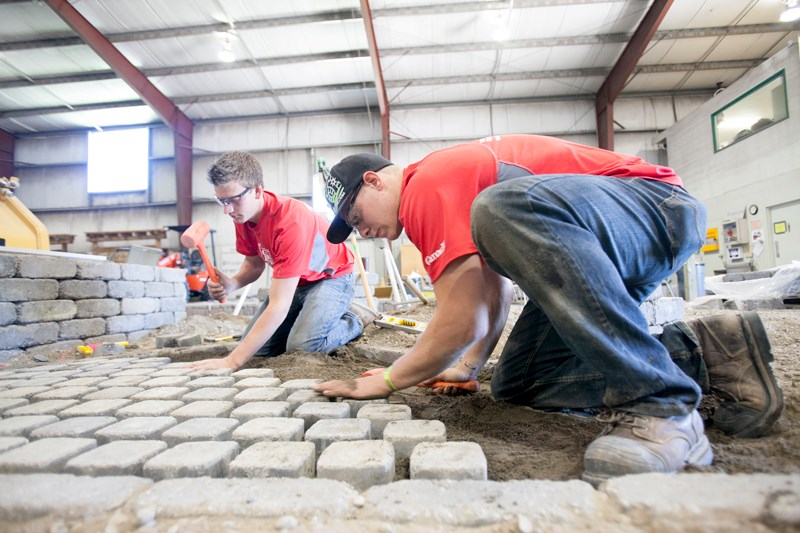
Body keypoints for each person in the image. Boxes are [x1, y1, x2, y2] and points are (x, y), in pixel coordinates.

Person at [314, 134, 784, 484]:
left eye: (356, 218)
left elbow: (462, 318)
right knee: (520, 383)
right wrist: (469, 365)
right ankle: (710, 352)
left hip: (653, 207)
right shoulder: (442, 192)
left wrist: (388, 380)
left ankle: (661, 408)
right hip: (609, 241)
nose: (362, 232)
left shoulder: (426, 183)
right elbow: (487, 297)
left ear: (374, 181)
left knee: (500, 206)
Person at [190, 151, 369, 371]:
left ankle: (354, 320)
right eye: (222, 201)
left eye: (233, 200)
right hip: (297, 283)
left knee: (302, 347)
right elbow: (254, 264)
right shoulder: (243, 216)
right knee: (260, 349)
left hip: (331, 278)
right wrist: (233, 284)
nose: (227, 210)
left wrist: (232, 361)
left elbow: (278, 306)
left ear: (257, 190)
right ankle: (308, 320)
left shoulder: (289, 222)